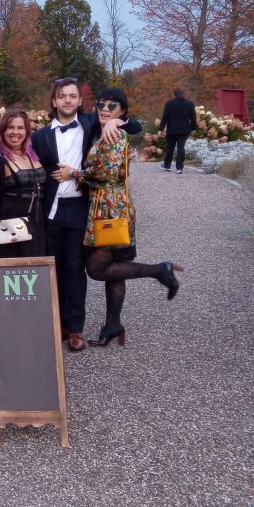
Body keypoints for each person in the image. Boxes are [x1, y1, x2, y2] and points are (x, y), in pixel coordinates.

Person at [31, 77, 141, 352]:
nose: (67, 100)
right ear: (54, 101)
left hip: (81, 209)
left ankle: (75, 328)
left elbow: (133, 123)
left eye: (72, 96)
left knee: (75, 269)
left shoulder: (92, 123)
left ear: (80, 102)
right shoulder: (40, 136)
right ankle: (56, 324)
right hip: (51, 210)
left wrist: (119, 121)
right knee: (51, 269)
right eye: (62, 96)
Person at [81, 88, 184, 346]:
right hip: (109, 206)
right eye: (101, 104)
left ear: (123, 110)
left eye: (112, 106)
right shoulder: (105, 127)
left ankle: (160, 270)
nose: (104, 109)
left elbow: (104, 174)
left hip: (110, 208)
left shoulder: (115, 135)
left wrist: (74, 173)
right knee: (114, 270)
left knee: (97, 268)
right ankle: (113, 325)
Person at [0, 109, 47, 353]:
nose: (15, 132)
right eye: (10, 128)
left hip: (32, 227)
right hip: (3, 228)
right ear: (3, 131)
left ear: (27, 131)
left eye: (20, 128)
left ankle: (20, 329)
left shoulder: (33, 155)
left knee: (27, 280)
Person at [159, 88, 196, 173]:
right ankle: (179, 168)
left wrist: (161, 129)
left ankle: (167, 165)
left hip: (172, 129)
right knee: (181, 148)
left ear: (174, 94)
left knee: (170, 148)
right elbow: (193, 117)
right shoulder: (189, 104)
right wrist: (193, 128)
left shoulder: (169, 104)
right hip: (184, 130)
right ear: (183, 93)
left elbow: (165, 117)